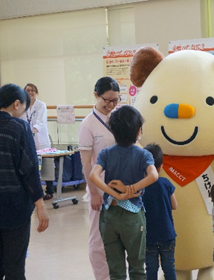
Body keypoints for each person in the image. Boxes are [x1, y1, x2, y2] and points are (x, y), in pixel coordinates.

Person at [0, 84, 49, 279]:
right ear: (17, 104)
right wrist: (40, 205)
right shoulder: (19, 127)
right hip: (14, 209)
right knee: (14, 267)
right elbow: (29, 170)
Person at [89, 105, 158, 280]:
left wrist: (115, 194)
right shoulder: (143, 154)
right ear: (138, 131)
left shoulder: (106, 153)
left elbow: (93, 176)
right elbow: (153, 175)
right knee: (137, 269)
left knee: (116, 271)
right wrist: (131, 189)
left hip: (110, 215)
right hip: (132, 215)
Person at [78, 76, 119, 280]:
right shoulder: (88, 124)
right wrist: (93, 192)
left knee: (121, 236)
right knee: (98, 238)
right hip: (100, 187)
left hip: (122, 187)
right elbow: (86, 163)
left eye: (115, 100)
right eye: (107, 100)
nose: (111, 105)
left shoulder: (118, 117)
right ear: (96, 95)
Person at [142, 143, 178, 280]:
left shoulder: (140, 186)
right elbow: (175, 205)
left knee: (150, 269)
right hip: (167, 234)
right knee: (169, 268)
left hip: (148, 236)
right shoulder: (166, 183)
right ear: (161, 166)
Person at [21, 83, 54, 200]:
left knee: (47, 164)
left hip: (40, 138)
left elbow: (40, 121)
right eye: (28, 90)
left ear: (36, 92)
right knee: (31, 166)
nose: (30, 92)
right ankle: (33, 191)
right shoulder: (22, 105)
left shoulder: (41, 105)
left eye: (33, 90)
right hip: (27, 138)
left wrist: (33, 131)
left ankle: (50, 190)